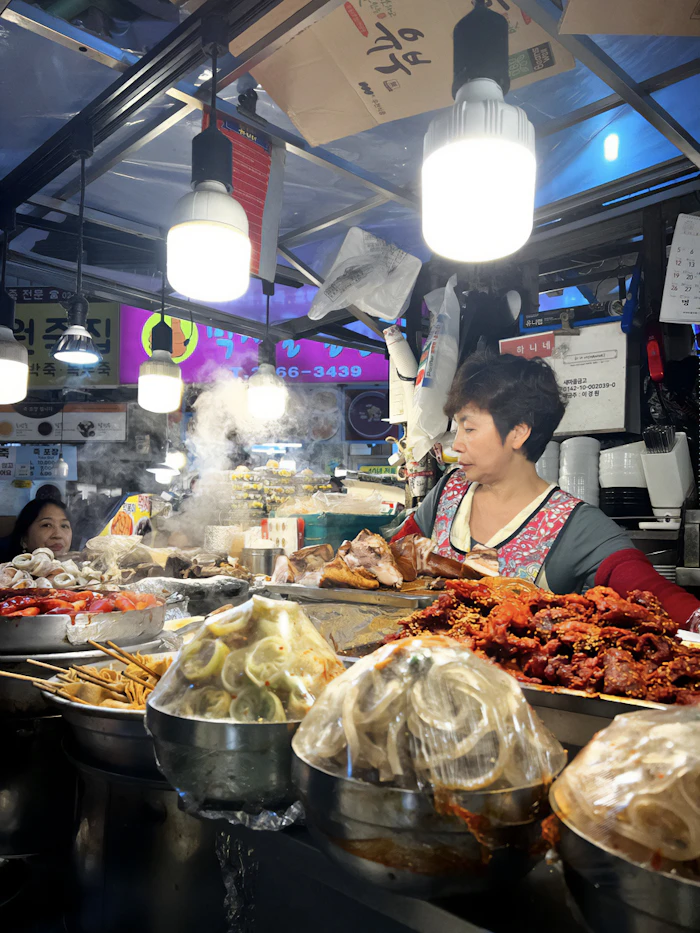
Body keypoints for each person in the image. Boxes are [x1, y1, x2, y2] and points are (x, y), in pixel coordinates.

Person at [393, 351, 699, 626]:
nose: (456, 445)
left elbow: (653, 591)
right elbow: (394, 552)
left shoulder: (574, 525)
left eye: (469, 428)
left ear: (518, 433)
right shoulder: (450, 491)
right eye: (457, 428)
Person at [7, 498, 73, 557]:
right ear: (24, 539)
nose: (58, 535)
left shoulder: (79, 568)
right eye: (47, 525)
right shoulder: (6, 570)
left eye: (64, 526)